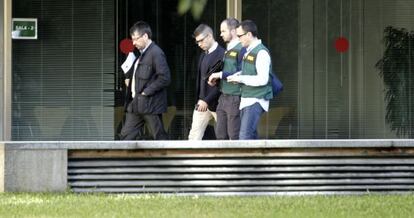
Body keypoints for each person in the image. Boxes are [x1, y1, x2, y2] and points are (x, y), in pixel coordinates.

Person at [120, 21, 171, 140]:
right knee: (125, 136)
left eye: (136, 39)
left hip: (150, 104)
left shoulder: (156, 53)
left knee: (159, 137)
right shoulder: (141, 55)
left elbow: (165, 78)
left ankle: (166, 158)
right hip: (136, 103)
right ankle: (123, 158)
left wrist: (146, 92)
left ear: (145, 36)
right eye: (132, 40)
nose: (134, 43)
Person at [227, 20, 273, 139]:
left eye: (240, 36)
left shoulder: (261, 52)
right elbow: (249, 72)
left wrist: (241, 79)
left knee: (244, 137)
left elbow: (263, 79)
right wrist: (238, 76)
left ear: (249, 34)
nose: (238, 39)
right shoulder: (250, 51)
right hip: (247, 99)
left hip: (255, 100)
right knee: (250, 136)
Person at [208, 18, 245, 140]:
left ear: (234, 31)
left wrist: (219, 75)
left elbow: (242, 73)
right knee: (220, 135)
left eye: (223, 31)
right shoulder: (228, 49)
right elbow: (227, 69)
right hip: (223, 96)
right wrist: (217, 81)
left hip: (235, 97)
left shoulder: (242, 49)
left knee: (234, 135)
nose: (220, 34)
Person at [188, 24, 225, 140]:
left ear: (209, 36)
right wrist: (200, 99)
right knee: (193, 137)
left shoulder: (223, 54)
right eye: (197, 42)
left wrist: (206, 100)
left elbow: (223, 83)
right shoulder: (203, 55)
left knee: (224, 137)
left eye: (201, 41)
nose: (199, 44)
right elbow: (201, 80)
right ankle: (190, 158)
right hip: (202, 104)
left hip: (219, 104)